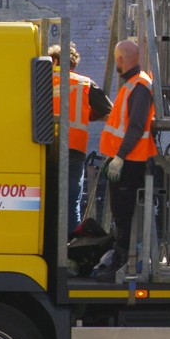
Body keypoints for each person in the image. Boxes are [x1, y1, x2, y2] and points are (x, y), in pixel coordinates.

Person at [97, 39, 158, 274]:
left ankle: (123, 259)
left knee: (123, 214)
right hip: (125, 160)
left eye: (116, 61)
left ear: (120, 60)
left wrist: (120, 157)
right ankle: (121, 255)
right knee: (121, 213)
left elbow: (136, 126)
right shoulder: (134, 85)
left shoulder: (139, 86)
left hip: (130, 162)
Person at [51, 43, 113, 235]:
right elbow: (109, 112)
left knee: (45, 198)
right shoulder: (84, 83)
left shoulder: (39, 79)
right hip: (74, 149)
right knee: (71, 202)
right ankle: (71, 246)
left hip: (45, 149)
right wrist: (90, 113)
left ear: (54, 61)